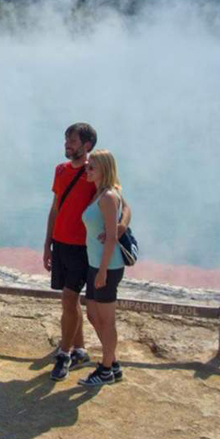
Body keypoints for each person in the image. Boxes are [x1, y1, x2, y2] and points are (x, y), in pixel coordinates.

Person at [43, 123, 130, 381]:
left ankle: (64, 354)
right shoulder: (61, 171)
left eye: (72, 141)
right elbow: (56, 207)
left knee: (69, 299)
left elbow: (123, 205)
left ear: (86, 145)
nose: (67, 145)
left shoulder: (93, 175)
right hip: (60, 245)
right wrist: (48, 242)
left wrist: (120, 226)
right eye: (66, 140)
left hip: (83, 250)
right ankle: (80, 350)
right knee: (71, 302)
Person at [78, 149, 126, 386]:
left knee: (107, 320)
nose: (87, 171)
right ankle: (112, 362)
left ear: (104, 169)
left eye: (91, 168)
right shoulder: (100, 193)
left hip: (107, 266)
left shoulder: (108, 197)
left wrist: (103, 271)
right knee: (93, 314)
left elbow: (111, 238)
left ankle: (106, 370)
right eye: (87, 167)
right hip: (95, 263)